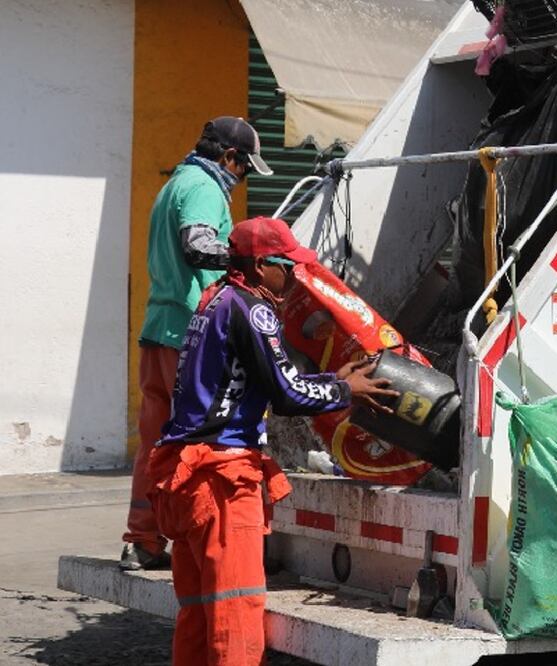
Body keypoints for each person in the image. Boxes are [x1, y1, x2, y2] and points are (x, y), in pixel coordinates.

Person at [146, 216, 398, 665]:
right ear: (262, 266)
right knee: (236, 611)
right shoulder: (253, 310)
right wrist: (345, 391)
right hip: (222, 482)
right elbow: (287, 395)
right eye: (288, 266)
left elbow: (266, 380)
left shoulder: (215, 299)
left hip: (185, 477)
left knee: (199, 615)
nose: (295, 276)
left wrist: (331, 381)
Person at [122, 116, 274, 570]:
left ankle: (143, 540)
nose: (242, 177)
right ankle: (196, 539)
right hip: (191, 334)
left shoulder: (175, 182)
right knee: (199, 442)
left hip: (159, 328)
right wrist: (249, 258)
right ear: (229, 157)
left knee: (155, 441)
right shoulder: (205, 187)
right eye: (244, 167)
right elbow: (198, 245)